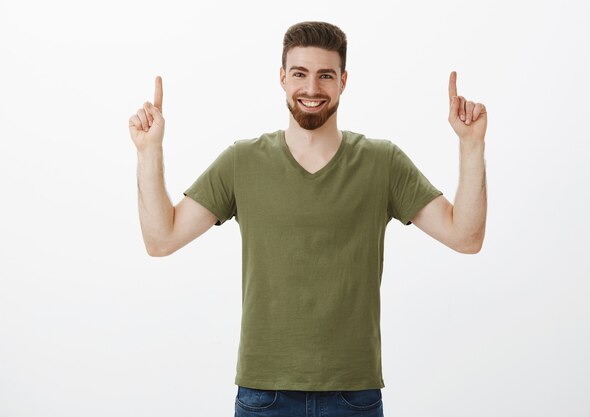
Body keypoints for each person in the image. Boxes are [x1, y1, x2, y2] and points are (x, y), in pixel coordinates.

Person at [128, 21, 487, 417]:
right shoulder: (242, 161)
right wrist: (149, 151)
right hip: (264, 394)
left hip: (354, 394)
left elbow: (465, 236)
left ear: (343, 81)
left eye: (325, 75)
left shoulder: (382, 163)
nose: (312, 89)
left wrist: (471, 146)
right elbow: (162, 240)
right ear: (282, 78)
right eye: (299, 74)